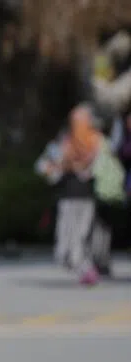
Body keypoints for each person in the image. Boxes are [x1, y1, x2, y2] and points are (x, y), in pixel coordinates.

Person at [37, 105, 112, 285]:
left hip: (87, 198)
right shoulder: (64, 141)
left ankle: (86, 269)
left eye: (82, 120)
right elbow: (43, 166)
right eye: (76, 121)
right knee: (65, 241)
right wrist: (58, 167)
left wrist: (80, 165)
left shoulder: (97, 141)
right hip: (67, 197)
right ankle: (82, 267)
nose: (79, 125)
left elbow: (100, 168)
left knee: (81, 237)